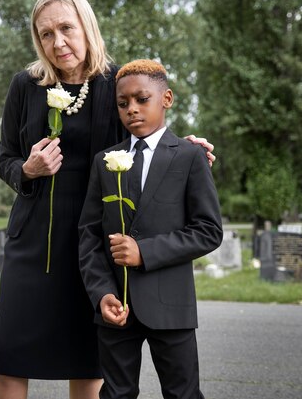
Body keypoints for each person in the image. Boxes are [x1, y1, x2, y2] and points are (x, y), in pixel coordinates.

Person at [0, 0, 215, 398]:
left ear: (86, 26)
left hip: (96, 246)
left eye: (66, 28)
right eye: (45, 34)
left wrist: (183, 150)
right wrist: (27, 169)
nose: (57, 42)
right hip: (33, 244)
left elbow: (144, 130)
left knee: (91, 365)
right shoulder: (25, 85)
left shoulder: (114, 84)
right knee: (11, 359)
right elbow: (5, 157)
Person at [78, 59, 223, 399]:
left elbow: (208, 230)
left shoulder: (190, 156)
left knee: (183, 394)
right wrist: (101, 294)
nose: (132, 110)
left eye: (142, 99)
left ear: (166, 98)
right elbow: (88, 236)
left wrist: (144, 252)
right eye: (123, 103)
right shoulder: (104, 162)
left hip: (171, 306)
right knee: (115, 394)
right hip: (116, 306)